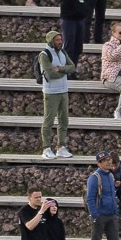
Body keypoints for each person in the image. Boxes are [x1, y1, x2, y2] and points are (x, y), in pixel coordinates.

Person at [37, 30, 75, 158]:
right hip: (51, 92)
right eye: (57, 40)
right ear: (51, 41)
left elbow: (72, 67)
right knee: (48, 121)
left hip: (63, 90)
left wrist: (61, 69)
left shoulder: (63, 52)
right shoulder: (44, 55)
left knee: (64, 120)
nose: (60, 42)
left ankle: (61, 146)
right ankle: (46, 148)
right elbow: (50, 74)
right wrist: (65, 71)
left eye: (60, 39)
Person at [85, 152, 121, 240]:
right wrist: (95, 215)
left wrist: (116, 212)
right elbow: (90, 199)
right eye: (104, 160)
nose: (108, 162)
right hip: (100, 215)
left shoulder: (111, 176)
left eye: (108, 159)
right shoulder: (94, 177)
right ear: (99, 163)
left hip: (111, 215)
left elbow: (112, 195)